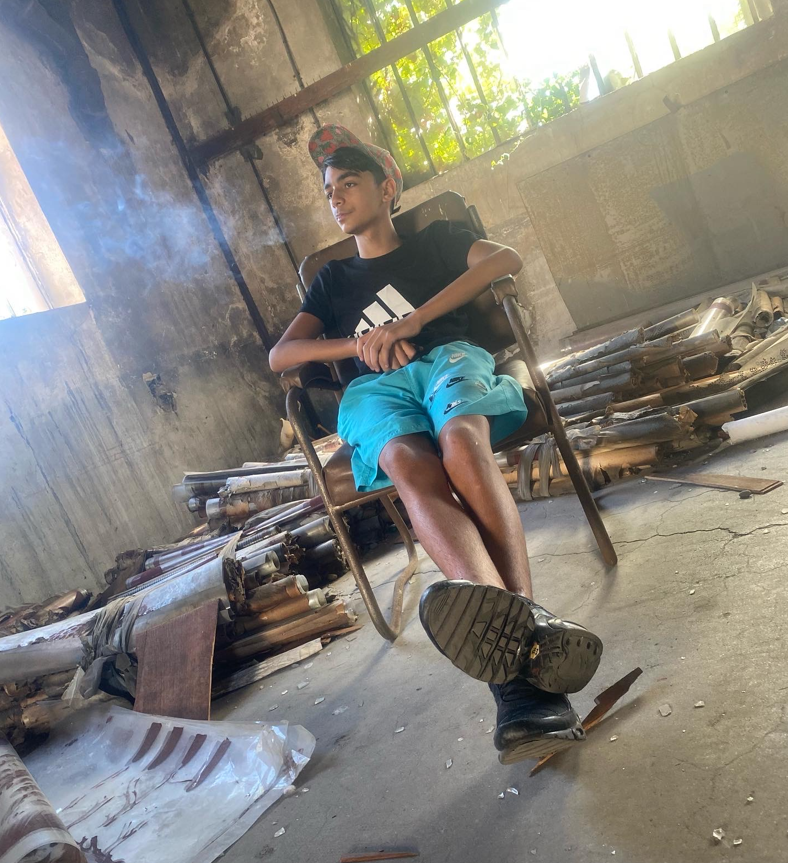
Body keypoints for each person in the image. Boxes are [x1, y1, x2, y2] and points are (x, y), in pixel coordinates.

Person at [268, 124, 603, 763]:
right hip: (374, 388)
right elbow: (281, 355)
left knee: (461, 444)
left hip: (449, 358)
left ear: (387, 188)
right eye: (330, 191)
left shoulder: (438, 241)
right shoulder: (332, 281)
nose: (337, 198)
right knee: (406, 463)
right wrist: (360, 343)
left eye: (349, 184)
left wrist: (414, 320)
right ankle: (526, 659)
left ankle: (515, 663)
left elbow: (506, 260)